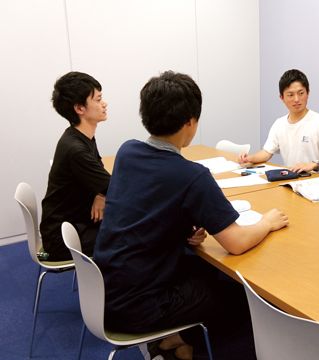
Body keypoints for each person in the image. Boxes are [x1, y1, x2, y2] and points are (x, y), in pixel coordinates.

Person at [94, 71, 289, 360]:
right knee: (235, 291)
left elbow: (146, 206)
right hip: (140, 305)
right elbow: (236, 242)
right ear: (190, 122)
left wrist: (180, 230)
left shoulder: (127, 151)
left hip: (105, 288)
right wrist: (267, 223)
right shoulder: (191, 176)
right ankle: (182, 346)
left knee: (204, 268)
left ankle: (173, 342)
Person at [40, 72, 111, 261]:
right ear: (80, 108)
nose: (104, 104)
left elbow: (101, 175)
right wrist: (105, 191)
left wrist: (100, 193)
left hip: (74, 223)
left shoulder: (79, 136)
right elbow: (116, 188)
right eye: (98, 99)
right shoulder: (75, 149)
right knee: (135, 234)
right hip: (62, 239)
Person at [239, 69, 319, 173]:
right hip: (292, 181)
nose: (296, 99)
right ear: (282, 97)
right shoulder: (279, 124)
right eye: (290, 95)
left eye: (301, 93)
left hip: (318, 183)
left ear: (308, 93)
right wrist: (250, 158)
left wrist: (313, 164)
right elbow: (266, 153)